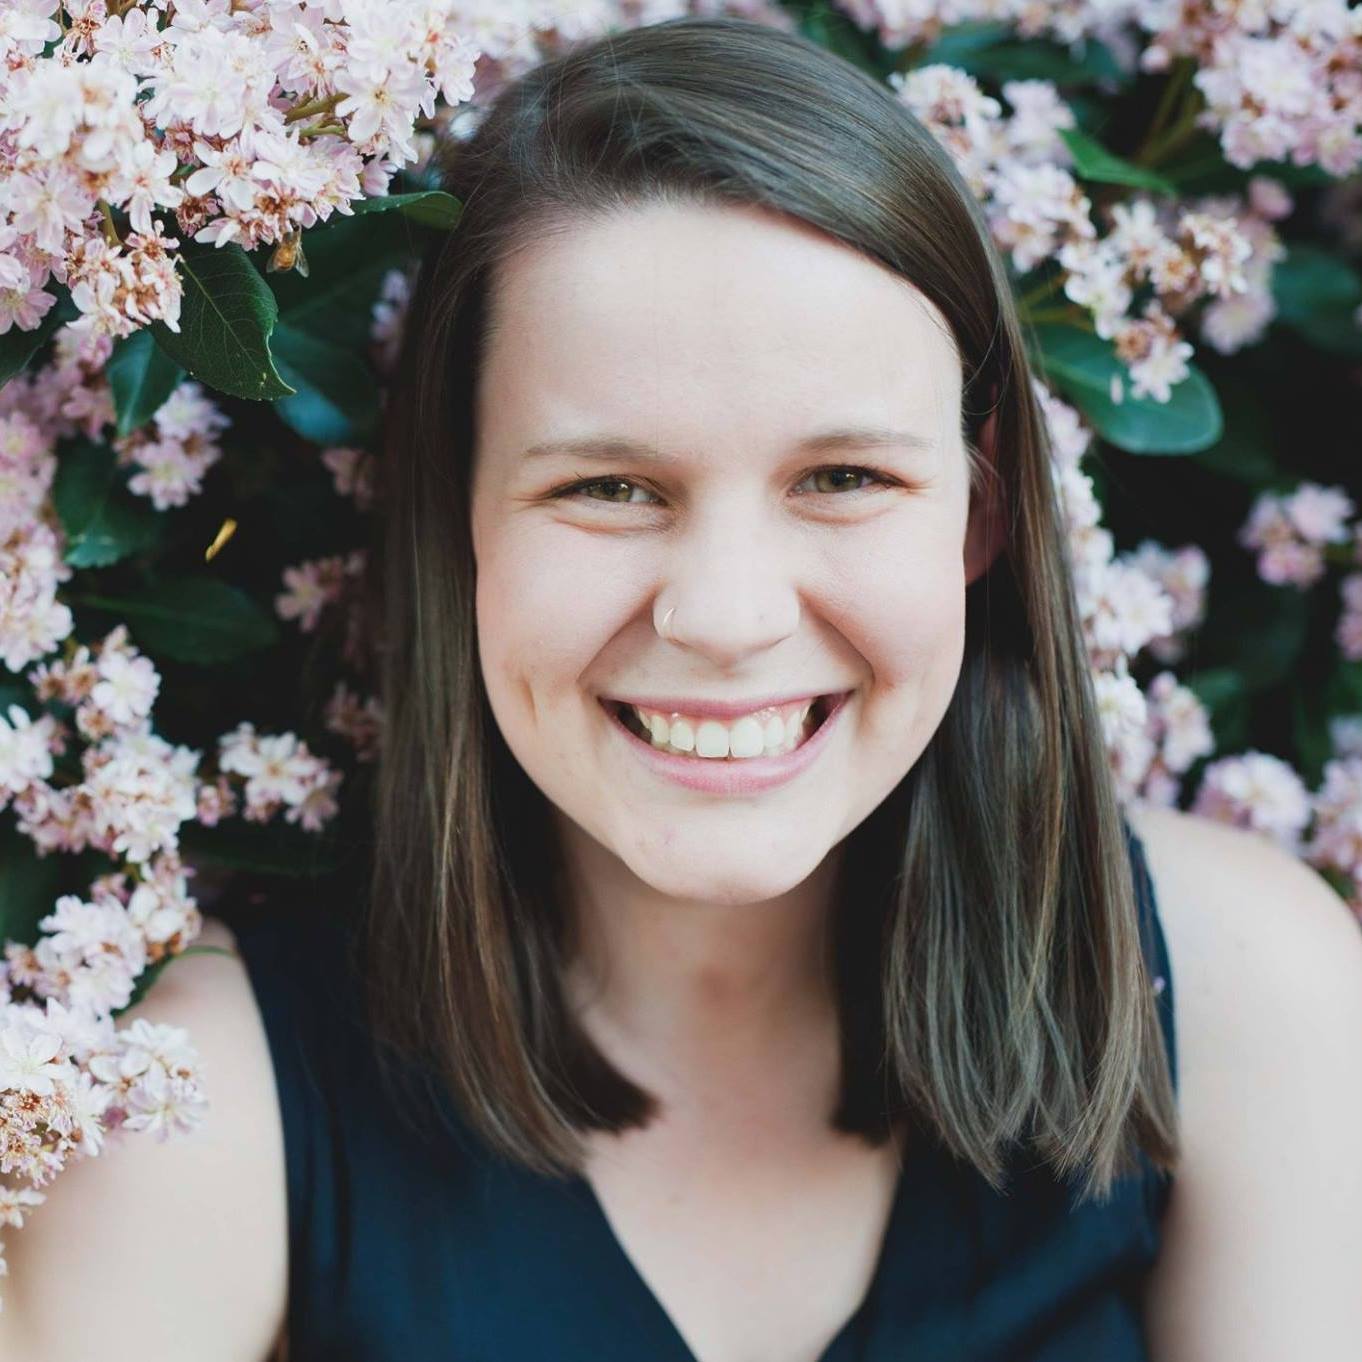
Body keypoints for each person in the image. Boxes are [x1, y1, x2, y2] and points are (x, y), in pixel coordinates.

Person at [5, 16, 1360, 1362]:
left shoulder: (1243, 993)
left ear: (981, 508)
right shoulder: (194, 1111)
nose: (724, 617)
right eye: (608, 487)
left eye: (843, 478)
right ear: (457, 517)